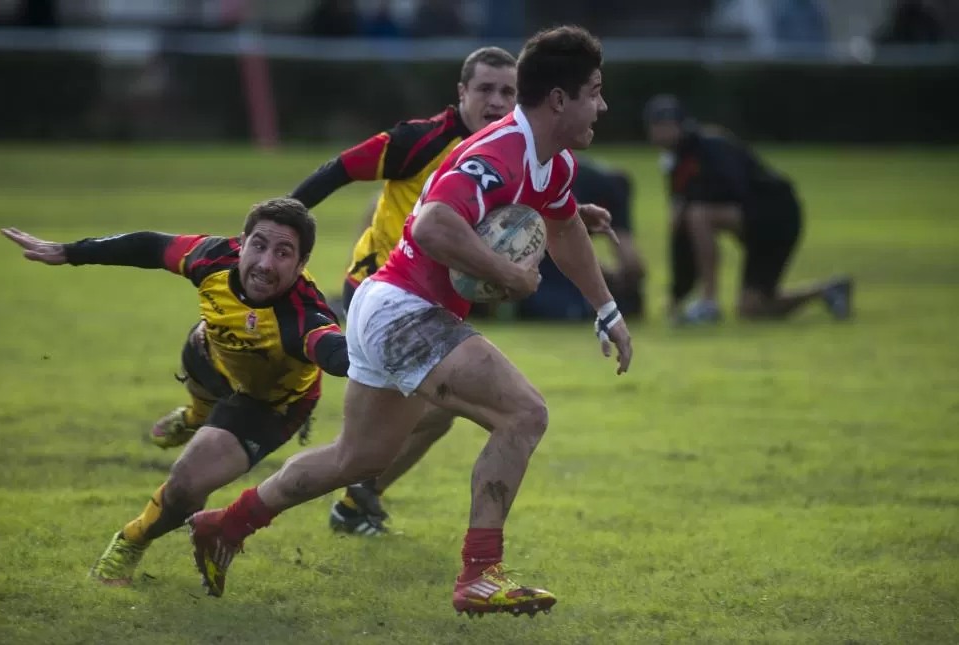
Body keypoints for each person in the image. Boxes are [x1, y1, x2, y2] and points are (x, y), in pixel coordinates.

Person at [186, 25, 633, 618]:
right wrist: (508, 271)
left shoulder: (551, 163)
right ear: (558, 98)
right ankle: (480, 573)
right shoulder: (495, 152)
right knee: (524, 413)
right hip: (404, 310)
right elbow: (431, 226)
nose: (601, 104)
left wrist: (605, 309)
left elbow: (566, 227)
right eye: (594, 91)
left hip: (388, 306)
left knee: (357, 459)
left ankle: (226, 525)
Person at [0, 198, 347, 585]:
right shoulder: (211, 257)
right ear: (241, 242)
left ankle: (131, 539)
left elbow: (332, 350)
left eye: (283, 254)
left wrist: (374, 359)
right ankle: (195, 417)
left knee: (185, 485)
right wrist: (69, 252)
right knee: (202, 344)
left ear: (300, 266)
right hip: (211, 357)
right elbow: (149, 246)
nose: (266, 264)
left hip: (267, 403)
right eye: (259, 245)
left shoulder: (303, 315)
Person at [287, 46, 518, 535]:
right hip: (380, 291)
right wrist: (278, 223)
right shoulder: (421, 139)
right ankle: (277, 503)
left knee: (435, 416)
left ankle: (354, 499)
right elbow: (340, 168)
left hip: (430, 305)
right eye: (485, 89)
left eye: (507, 91)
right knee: (428, 418)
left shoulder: (506, 150)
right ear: (462, 93)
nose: (496, 101)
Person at [643, 94, 853, 324]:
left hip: (777, 216)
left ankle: (709, 303)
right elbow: (681, 237)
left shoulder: (711, 145)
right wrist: (677, 295)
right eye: (655, 126)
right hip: (756, 225)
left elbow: (734, 188)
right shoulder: (675, 162)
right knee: (752, 308)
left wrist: (688, 203)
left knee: (697, 214)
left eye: (664, 125)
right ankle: (827, 290)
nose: (659, 132)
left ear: (681, 125)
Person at [517, 155, 646, 321]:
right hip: (538, 241)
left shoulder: (611, 192)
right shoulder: (569, 186)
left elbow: (631, 263)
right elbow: (559, 241)